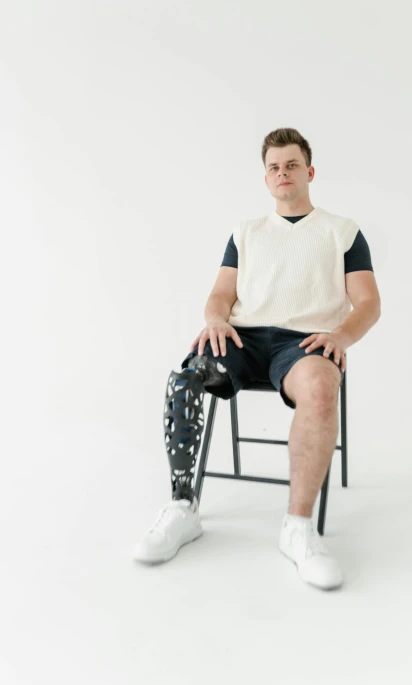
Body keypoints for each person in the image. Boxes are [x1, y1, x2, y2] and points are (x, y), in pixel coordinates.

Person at [133, 127, 381, 591]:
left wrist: (341, 337)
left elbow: (367, 302)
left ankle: (298, 527)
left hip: (302, 342)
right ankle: (183, 508)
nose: (282, 173)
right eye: (274, 167)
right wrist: (214, 319)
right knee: (184, 378)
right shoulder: (245, 232)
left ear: (309, 172)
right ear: (265, 179)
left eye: (291, 165)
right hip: (241, 339)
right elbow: (221, 294)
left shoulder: (342, 232)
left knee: (322, 387)